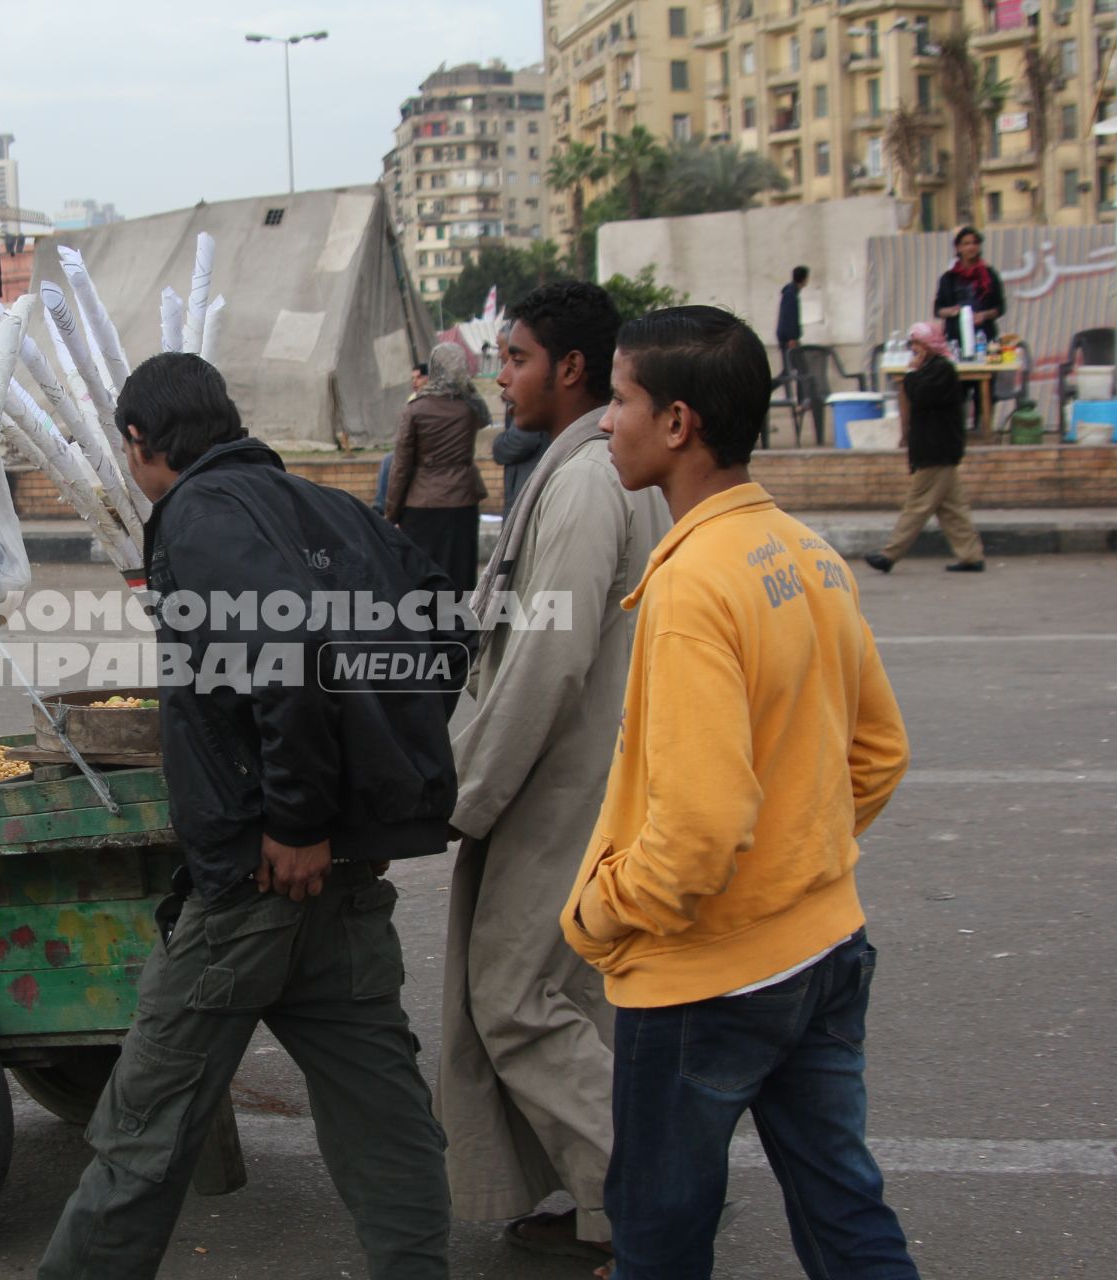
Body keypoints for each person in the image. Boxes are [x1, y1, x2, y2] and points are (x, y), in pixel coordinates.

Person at [38, 353, 458, 1280]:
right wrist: (369, 784)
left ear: (143, 443)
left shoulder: (196, 516)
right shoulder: (329, 507)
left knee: (142, 1129)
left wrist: (300, 817)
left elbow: (289, 656)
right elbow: (440, 621)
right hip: (341, 881)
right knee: (385, 1119)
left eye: (129, 451)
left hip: (258, 887)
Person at [567, 304, 917, 1280]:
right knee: (845, 1209)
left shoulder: (693, 586)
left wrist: (602, 910)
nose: (605, 421)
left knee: (658, 1237)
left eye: (622, 399)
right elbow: (879, 753)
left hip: (705, 979)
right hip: (824, 943)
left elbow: (698, 831)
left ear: (678, 422)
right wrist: (795, 862)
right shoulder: (806, 552)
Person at [441, 281, 670, 1265]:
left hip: (563, 783)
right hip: (592, 774)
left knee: (513, 998)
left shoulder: (583, 483)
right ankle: (595, 1200)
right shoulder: (598, 467)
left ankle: (644, 1197)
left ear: (571, 368)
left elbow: (545, 660)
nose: (503, 375)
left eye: (519, 357)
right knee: (563, 995)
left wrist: (465, 791)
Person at [863, 321, 984, 576]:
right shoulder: (930, 370)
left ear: (930, 346)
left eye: (918, 344)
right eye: (912, 344)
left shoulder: (941, 370)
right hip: (936, 450)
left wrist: (911, 374)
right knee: (952, 509)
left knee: (917, 506)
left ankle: (889, 554)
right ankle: (971, 555)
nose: (914, 349)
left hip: (937, 450)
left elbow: (920, 396)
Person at [385, 343, 488, 592]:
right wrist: (467, 386)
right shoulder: (469, 407)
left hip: (422, 503)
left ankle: (425, 629)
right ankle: (460, 627)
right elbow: (486, 419)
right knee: (460, 572)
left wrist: (391, 513)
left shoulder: (416, 409)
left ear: (433, 368)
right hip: (462, 500)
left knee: (422, 576)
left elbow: (401, 466)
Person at [933, 225, 1004, 356]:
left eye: (975, 243)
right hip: (955, 338)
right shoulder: (948, 278)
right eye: (966, 244)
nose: (971, 247)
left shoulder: (990, 275)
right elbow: (938, 310)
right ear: (958, 248)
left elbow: (1000, 308)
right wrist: (953, 311)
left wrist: (984, 315)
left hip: (984, 336)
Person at [491, 416, 548, 515]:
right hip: (534, 487)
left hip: (529, 489)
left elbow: (520, 441)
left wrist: (499, 445)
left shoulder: (532, 403)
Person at [776, 265, 808, 355]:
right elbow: (790, 316)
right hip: (788, 339)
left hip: (787, 337)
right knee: (794, 365)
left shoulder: (791, 292)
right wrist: (792, 338)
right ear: (804, 279)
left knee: (792, 365)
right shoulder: (790, 294)